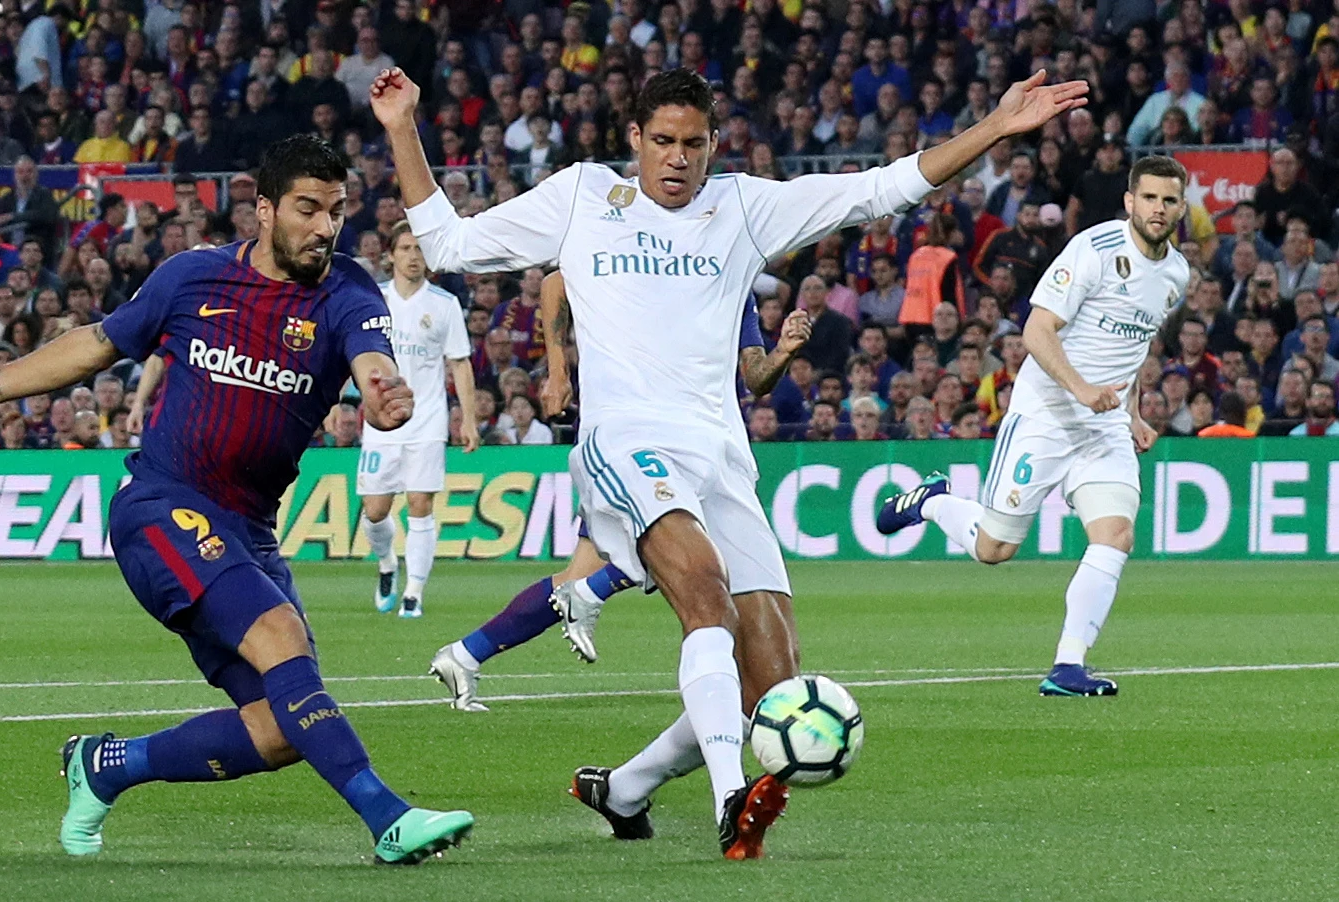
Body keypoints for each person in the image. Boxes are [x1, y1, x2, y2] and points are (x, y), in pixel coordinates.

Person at [375, 63, 1084, 858]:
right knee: (704, 599)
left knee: (770, 680)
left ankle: (626, 788)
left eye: (694, 144)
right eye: (663, 143)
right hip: (625, 444)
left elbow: (882, 188)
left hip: (719, 456)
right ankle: (728, 796)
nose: (678, 160)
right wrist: (403, 127)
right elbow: (448, 243)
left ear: (715, 145)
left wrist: (993, 127)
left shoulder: (743, 206)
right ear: (634, 141)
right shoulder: (579, 197)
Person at [0, 135, 473, 864]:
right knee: (280, 640)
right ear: (264, 211)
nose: (325, 227)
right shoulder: (192, 278)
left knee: (280, 727)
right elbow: (98, 344)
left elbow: (369, 355)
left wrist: (382, 390)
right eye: (308, 209)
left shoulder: (349, 291)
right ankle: (388, 818)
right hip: (161, 506)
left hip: (249, 533)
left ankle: (107, 765)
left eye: (335, 211)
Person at [878, 155, 1190, 698]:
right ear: (1129, 201)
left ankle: (1068, 666)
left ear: (1181, 207)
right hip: (1046, 413)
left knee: (1115, 533)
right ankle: (930, 501)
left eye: (1169, 200)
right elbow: (1037, 331)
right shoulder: (1093, 252)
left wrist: (1133, 411)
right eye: (1150, 198)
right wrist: (1080, 389)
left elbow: (1133, 347)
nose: (1158, 209)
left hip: (1105, 424)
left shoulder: (1176, 275)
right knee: (994, 549)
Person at [429, 274, 811, 712]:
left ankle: (466, 654)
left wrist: (782, 352)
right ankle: (594, 591)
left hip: (700, 448)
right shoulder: (644, 254)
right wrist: (558, 370)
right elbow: (557, 283)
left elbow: (755, 378)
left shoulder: (731, 278)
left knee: (585, 572)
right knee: (677, 548)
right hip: (629, 439)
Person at [355, 226, 480, 618]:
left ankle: (414, 593)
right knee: (375, 510)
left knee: (420, 502)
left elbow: (459, 362)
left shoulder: (443, 304)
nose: (413, 256)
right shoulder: (372, 300)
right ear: (391, 255)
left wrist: (470, 419)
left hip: (426, 419)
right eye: (406, 249)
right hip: (380, 421)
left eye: (420, 249)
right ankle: (388, 563)